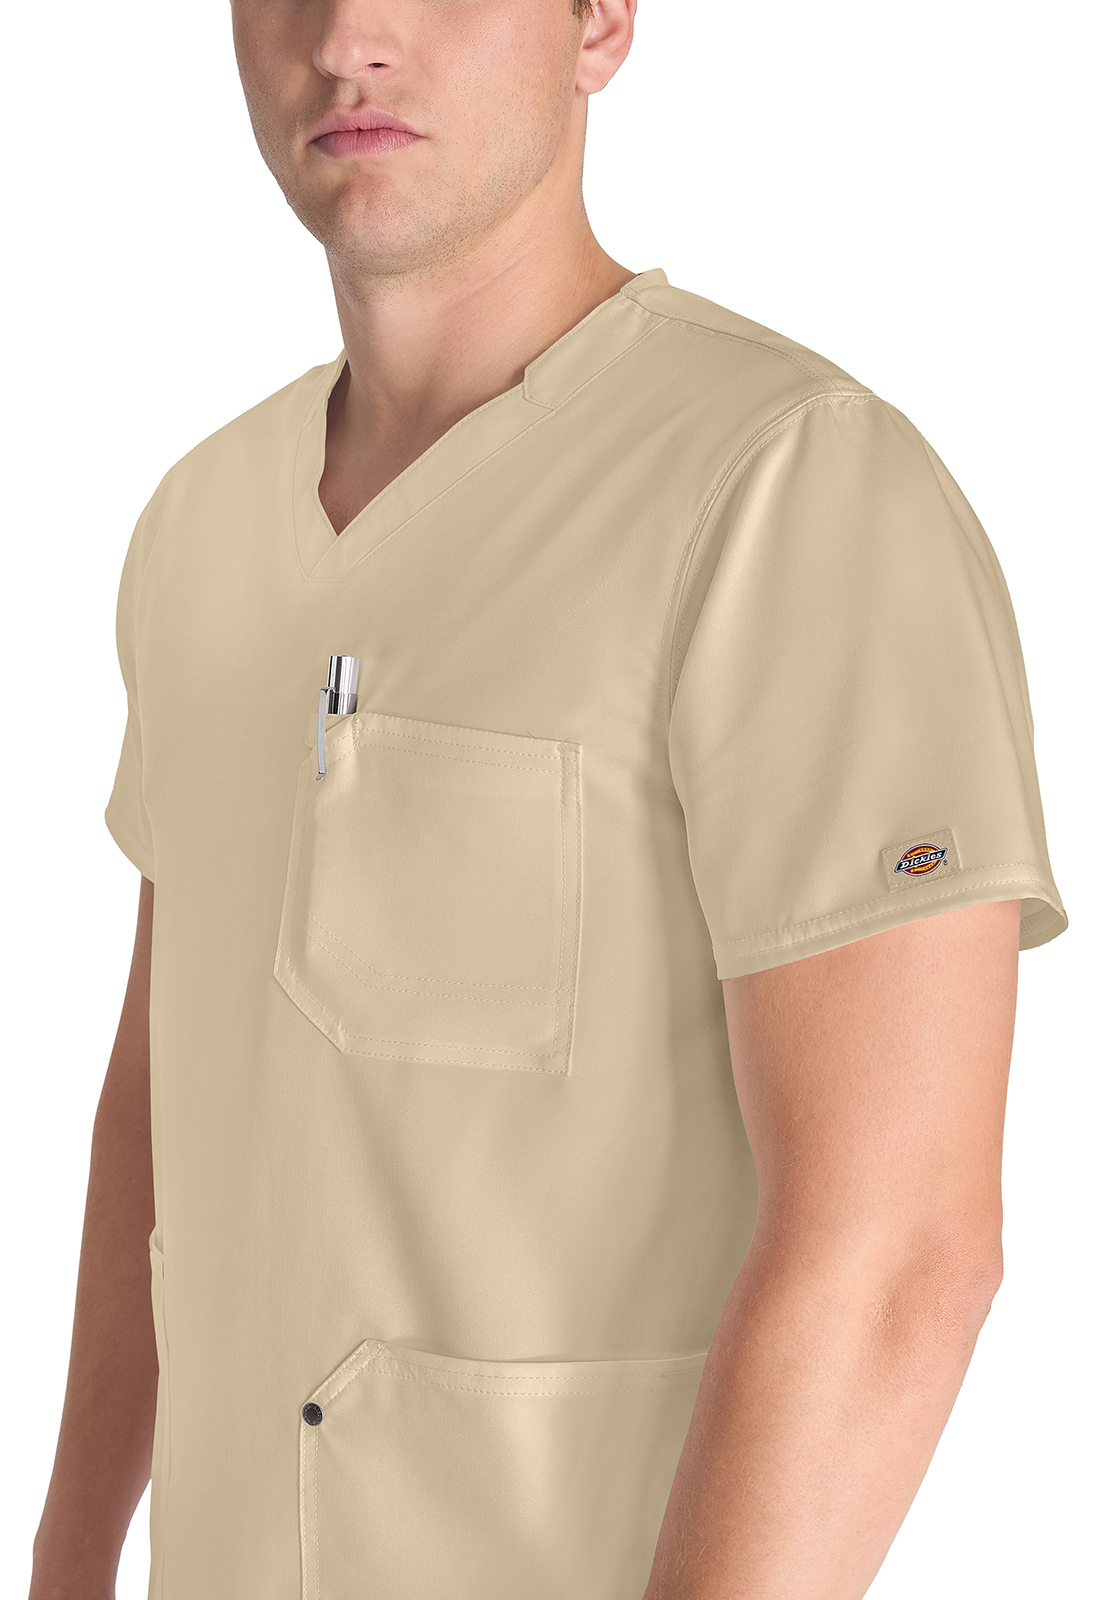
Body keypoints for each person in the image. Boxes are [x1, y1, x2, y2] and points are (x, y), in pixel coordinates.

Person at [29, 2, 1068, 1597]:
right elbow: (166, 1099)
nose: (350, 35)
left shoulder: (791, 490)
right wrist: (69, 1554)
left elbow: (901, 1253)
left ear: (600, 22)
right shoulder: (202, 524)